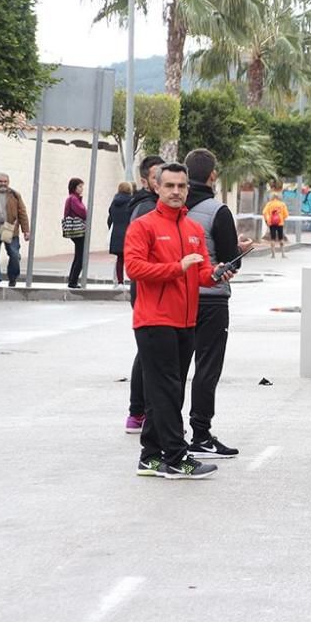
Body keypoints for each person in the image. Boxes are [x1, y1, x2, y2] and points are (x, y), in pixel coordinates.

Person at [124, 161, 235, 479]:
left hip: (187, 321)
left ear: (188, 188)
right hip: (154, 320)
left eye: (181, 186)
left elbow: (200, 273)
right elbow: (135, 269)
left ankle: (150, 455)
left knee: (168, 390)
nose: (176, 191)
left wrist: (216, 274)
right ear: (156, 187)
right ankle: (176, 456)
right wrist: (177, 266)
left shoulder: (193, 229)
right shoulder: (143, 226)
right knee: (166, 390)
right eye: (169, 185)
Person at [185, 148, 253, 458]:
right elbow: (229, 261)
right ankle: (200, 432)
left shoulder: (170, 209)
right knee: (207, 367)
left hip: (179, 297)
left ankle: (168, 433)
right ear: (213, 175)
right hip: (211, 300)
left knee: (174, 368)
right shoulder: (217, 211)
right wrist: (241, 250)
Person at [124, 155, 166, 434]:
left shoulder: (159, 208)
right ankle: (139, 412)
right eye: (157, 179)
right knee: (149, 350)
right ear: (146, 181)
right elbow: (137, 262)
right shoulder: (145, 210)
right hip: (147, 288)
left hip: (160, 289)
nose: (165, 185)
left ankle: (144, 413)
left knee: (153, 351)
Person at [0, 173, 30, 287]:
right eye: (1, 181)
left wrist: (26, 230)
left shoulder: (15, 195)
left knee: (14, 255)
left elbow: (22, 213)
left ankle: (13, 277)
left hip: (10, 230)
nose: (3, 184)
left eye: (5, 181)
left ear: (8, 182)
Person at [107, 181, 134, 287]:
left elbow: (110, 219)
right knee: (131, 259)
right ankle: (133, 281)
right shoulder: (131, 202)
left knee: (120, 259)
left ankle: (120, 282)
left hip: (117, 233)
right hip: (129, 233)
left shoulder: (114, 203)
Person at [63, 178, 87, 289]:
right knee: (81, 257)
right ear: (74, 187)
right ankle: (73, 281)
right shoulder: (73, 199)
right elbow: (83, 212)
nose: (82, 189)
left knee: (78, 255)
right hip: (77, 230)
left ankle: (72, 280)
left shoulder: (74, 198)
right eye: (80, 186)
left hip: (76, 230)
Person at [262, 192, 289, 258]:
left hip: (272, 223)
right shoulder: (282, 204)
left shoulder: (269, 204)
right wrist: (282, 218)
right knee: (281, 238)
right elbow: (286, 214)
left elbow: (264, 212)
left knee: (273, 238)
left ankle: (273, 254)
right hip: (280, 223)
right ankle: (283, 254)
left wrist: (267, 220)